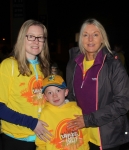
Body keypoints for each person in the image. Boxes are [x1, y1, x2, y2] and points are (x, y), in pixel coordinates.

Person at [66, 18, 129, 150]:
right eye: (85, 35)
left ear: (102, 39)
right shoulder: (73, 64)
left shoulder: (113, 66)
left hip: (106, 138)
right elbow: (71, 96)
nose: (90, 39)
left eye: (95, 35)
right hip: (81, 136)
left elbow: (122, 104)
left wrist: (87, 120)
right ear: (80, 39)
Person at [0, 19, 52, 150]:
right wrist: (32, 123)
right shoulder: (9, 65)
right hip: (16, 139)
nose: (36, 41)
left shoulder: (45, 67)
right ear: (22, 38)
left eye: (40, 37)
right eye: (31, 36)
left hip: (43, 138)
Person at [35, 74, 89, 150]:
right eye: (50, 93)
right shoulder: (45, 113)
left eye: (58, 90)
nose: (55, 96)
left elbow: (84, 134)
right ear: (45, 97)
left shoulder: (77, 110)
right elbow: (41, 141)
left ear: (66, 92)